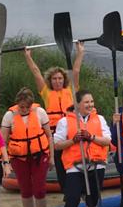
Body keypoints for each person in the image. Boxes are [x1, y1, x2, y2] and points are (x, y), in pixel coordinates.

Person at [47, 90, 112, 207]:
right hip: (75, 167)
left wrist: (91, 137)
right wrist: (73, 140)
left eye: (91, 101)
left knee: (93, 200)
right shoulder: (65, 122)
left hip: (96, 165)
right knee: (72, 201)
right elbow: (57, 145)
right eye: (86, 102)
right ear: (77, 104)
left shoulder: (100, 119)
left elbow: (106, 141)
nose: (90, 105)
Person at [24, 42, 84, 185]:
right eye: (54, 79)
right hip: (54, 132)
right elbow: (36, 73)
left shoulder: (71, 91)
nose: (57, 81)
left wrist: (80, 52)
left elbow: (75, 71)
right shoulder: (46, 92)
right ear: (50, 80)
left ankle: (78, 185)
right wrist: (28, 57)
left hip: (70, 129)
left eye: (60, 78)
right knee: (58, 160)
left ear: (64, 80)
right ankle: (65, 189)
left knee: (74, 158)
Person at [1, 87, 53, 207]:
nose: (24, 109)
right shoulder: (9, 116)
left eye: (27, 107)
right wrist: (6, 162)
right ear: (17, 104)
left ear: (31, 105)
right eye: (21, 106)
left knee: (40, 188)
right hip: (19, 158)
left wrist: (52, 158)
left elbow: (49, 136)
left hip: (39, 155)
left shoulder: (40, 112)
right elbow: (2, 141)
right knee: (25, 189)